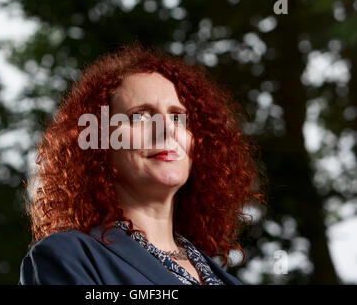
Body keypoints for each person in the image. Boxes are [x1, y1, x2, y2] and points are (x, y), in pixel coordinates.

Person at [19, 43, 265, 285]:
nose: (167, 128)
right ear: (98, 142)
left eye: (178, 117)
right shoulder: (67, 257)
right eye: (140, 116)